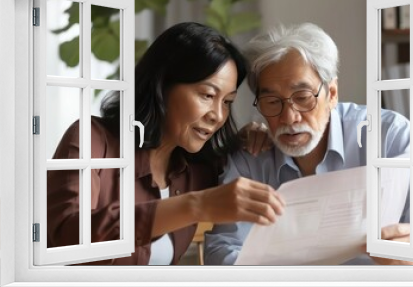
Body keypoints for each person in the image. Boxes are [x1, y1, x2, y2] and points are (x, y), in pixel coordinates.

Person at [204, 22, 413, 265]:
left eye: (302, 98)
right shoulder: (252, 152)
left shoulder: (388, 136)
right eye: (271, 101)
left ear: (332, 93)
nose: (289, 117)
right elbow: (222, 247)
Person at [47, 22, 285, 265]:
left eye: (227, 102)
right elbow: (67, 236)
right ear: (162, 85)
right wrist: (194, 205)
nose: (217, 115)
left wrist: (255, 134)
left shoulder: (201, 168)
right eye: (207, 95)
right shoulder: (93, 140)